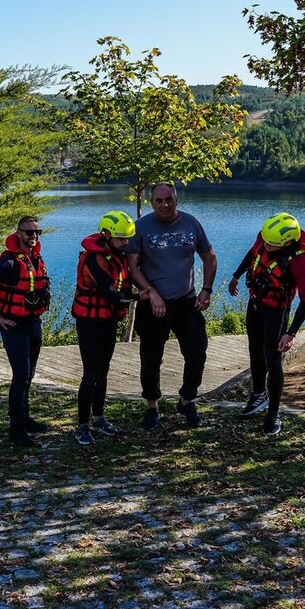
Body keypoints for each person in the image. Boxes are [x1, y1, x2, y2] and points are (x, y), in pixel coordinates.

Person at [127, 182, 217, 429]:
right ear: (151, 202)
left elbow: (209, 256)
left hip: (186, 301)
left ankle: (187, 400)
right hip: (154, 304)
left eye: (169, 199)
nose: (164, 204)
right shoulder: (141, 227)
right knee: (151, 357)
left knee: (197, 352)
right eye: (159, 200)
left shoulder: (191, 223)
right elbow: (132, 265)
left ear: (176, 200)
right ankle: (152, 406)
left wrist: (206, 290)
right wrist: (150, 292)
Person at [228, 212, 305, 437]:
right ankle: (258, 395)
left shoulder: (298, 261)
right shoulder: (266, 238)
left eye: (271, 244)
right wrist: (236, 275)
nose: (266, 245)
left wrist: (291, 333)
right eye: (265, 240)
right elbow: (253, 253)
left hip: (276, 312)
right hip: (255, 303)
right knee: (254, 351)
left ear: (287, 243)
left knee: (272, 360)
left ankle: (273, 413)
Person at [0, 216, 52, 446]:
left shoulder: (36, 259)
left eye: (37, 232)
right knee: (20, 376)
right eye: (29, 232)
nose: (34, 236)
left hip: (33, 324)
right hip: (14, 327)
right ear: (18, 234)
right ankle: (16, 430)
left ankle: (25, 419)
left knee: (29, 375)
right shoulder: (9, 262)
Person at [71, 210, 140, 445]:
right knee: (90, 373)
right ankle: (82, 425)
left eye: (127, 238)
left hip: (107, 321)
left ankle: (98, 418)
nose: (126, 243)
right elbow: (109, 293)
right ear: (107, 234)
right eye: (122, 238)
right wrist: (139, 297)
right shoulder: (93, 258)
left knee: (103, 371)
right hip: (89, 322)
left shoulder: (116, 254)